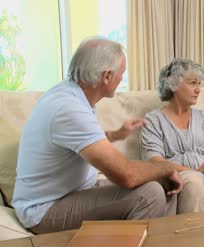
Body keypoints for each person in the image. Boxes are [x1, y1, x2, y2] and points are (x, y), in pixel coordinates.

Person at [12, 37, 183, 234]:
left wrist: (115, 134)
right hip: (44, 209)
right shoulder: (68, 108)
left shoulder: (72, 95)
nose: (122, 79)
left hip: (74, 191)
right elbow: (126, 175)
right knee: (150, 194)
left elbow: (76, 142)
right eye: (122, 73)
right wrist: (167, 166)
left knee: (160, 185)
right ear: (107, 76)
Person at [141, 58, 204, 214]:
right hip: (178, 175)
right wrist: (194, 171)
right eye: (193, 83)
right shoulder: (153, 120)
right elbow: (155, 161)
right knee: (193, 182)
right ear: (173, 85)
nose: (198, 89)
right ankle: (195, 237)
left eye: (199, 84)